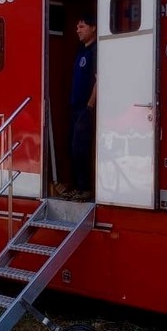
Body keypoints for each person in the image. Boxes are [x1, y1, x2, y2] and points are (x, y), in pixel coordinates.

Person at [70, 15, 97, 199]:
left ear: (93, 28)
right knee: (73, 148)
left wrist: (90, 106)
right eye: (77, 26)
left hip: (86, 109)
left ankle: (86, 188)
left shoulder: (95, 51)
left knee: (82, 148)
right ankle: (78, 187)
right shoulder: (81, 51)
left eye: (82, 26)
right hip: (75, 108)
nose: (78, 30)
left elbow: (99, 80)